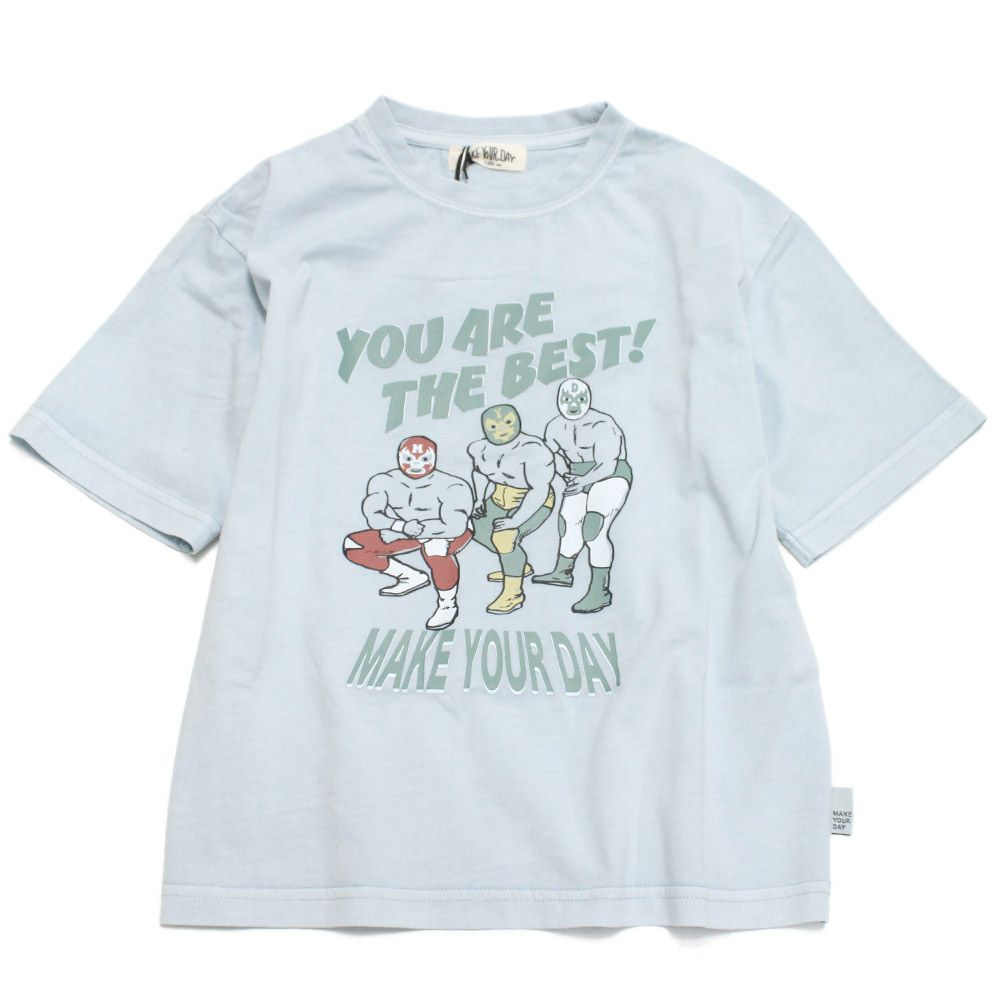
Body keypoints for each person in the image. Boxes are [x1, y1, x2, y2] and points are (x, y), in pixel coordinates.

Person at [343, 435, 473, 630]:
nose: (416, 464)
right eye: (410, 459)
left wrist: (403, 532)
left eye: (424, 459)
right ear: (399, 456)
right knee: (353, 546)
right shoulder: (384, 481)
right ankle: (410, 576)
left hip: (448, 532)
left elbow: (454, 526)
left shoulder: (452, 485)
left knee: (435, 548)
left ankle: (448, 604)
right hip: (406, 529)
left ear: (434, 458)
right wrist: (401, 527)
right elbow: (373, 516)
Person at [533, 378, 631, 612]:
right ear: (559, 400)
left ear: (588, 399)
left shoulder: (602, 424)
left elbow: (608, 464)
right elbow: (552, 454)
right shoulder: (555, 426)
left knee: (593, 528)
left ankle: (600, 590)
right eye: (567, 399)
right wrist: (565, 474)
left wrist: (583, 481)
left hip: (610, 475)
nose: (573, 404)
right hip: (577, 475)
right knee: (568, 522)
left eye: (579, 399)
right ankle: (563, 571)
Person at [467, 404, 555, 614]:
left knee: (505, 538)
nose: (501, 430)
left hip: (533, 501)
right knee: (473, 527)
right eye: (494, 426)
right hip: (498, 498)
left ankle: (514, 593)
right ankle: (517, 565)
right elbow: (479, 473)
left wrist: (516, 521)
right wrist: (479, 500)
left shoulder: (534, 450)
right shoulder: (479, 449)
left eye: (507, 422)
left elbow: (539, 490)